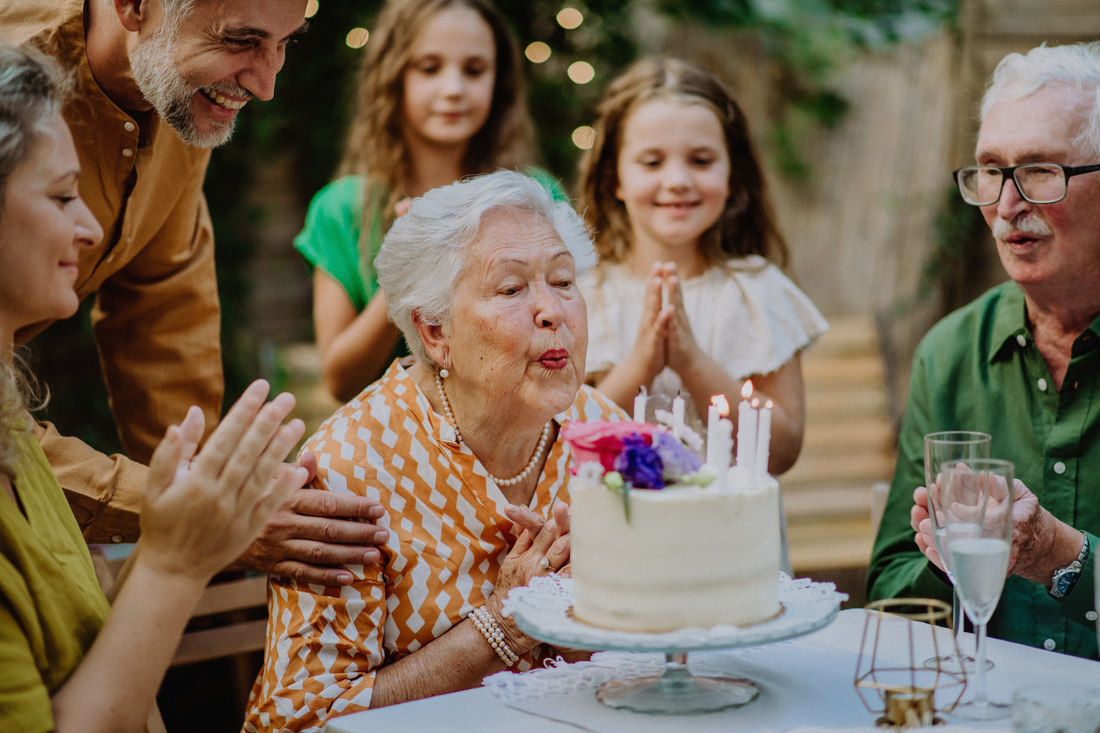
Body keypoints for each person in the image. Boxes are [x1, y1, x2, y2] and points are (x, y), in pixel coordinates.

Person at [0, 0, 387, 585]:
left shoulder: (178, 90)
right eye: (241, 41)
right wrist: (202, 517)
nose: (267, 86)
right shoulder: (13, 78)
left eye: (286, 44)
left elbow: (164, 322)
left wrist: (219, 497)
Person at [245, 171, 623, 731]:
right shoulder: (352, 467)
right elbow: (302, 718)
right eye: (512, 289)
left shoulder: (603, 430)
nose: (553, 311)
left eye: (563, 281)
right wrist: (504, 625)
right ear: (434, 333)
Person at [0, 44, 307, 733]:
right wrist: (175, 560)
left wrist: (184, 522)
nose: (89, 227)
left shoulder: (12, 427)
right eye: (59, 196)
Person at [868, 42, 1100, 660]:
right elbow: (890, 596)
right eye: (992, 172)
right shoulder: (949, 353)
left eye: (1042, 171)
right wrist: (947, 557)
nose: (1006, 205)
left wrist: (1063, 557)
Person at [299, 0, 564, 403]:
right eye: (429, 68)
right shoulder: (341, 208)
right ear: (392, 77)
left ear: (500, 81)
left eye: (474, 70)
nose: (454, 88)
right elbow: (341, 382)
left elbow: (567, 341)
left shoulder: (533, 198)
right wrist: (410, 267)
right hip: (389, 450)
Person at [577, 58, 827, 475]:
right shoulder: (584, 294)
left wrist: (693, 363)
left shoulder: (758, 290)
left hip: (732, 535)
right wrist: (642, 363)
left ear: (732, 175)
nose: (677, 180)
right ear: (613, 178)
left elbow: (782, 451)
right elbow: (565, 441)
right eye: (652, 162)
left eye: (700, 160)